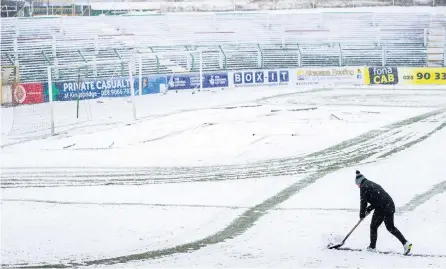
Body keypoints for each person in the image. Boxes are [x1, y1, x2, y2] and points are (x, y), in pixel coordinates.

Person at [355, 170, 412, 255]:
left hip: (382, 207)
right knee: (390, 227)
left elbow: (363, 202)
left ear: (359, 182)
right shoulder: (371, 184)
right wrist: (368, 209)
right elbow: (376, 199)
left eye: (357, 185)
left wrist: (362, 214)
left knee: (373, 226)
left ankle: (372, 247)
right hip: (389, 204)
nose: (358, 187)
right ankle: (405, 243)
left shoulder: (364, 187)